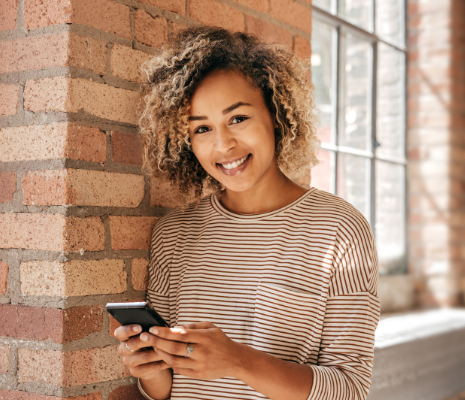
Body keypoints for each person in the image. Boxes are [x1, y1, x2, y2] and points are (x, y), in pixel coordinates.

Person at [113, 26, 380, 400]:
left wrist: (238, 361)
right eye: (202, 128)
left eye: (238, 118)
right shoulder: (173, 233)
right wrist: (149, 370)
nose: (223, 144)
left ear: (274, 114)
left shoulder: (338, 230)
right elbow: (169, 389)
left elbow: (351, 389)